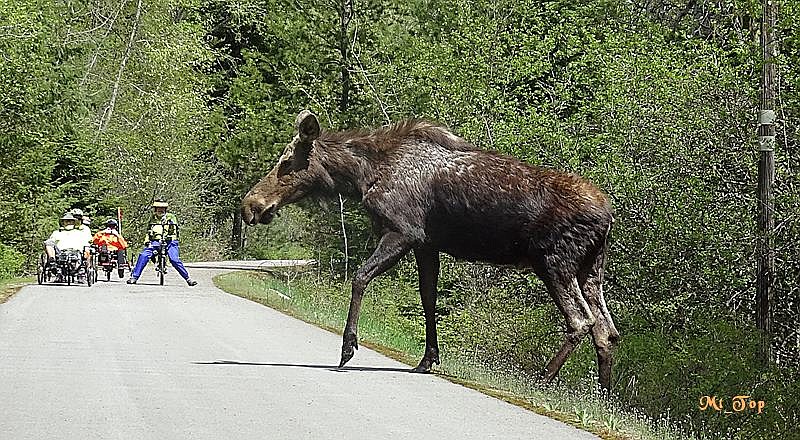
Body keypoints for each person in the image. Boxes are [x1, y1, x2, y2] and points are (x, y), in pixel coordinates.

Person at [127, 199, 197, 286]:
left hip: (170, 241)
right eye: (159, 208)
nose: (161, 210)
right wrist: (147, 241)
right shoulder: (152, 218)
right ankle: (134, 277)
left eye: (163, 208)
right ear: (155, 209)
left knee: (174, 259)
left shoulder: (171, 217)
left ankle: (188, 279)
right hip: (155, 242)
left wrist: (171, 225)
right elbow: (148, 231)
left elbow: (174, 228)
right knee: (144, 255)